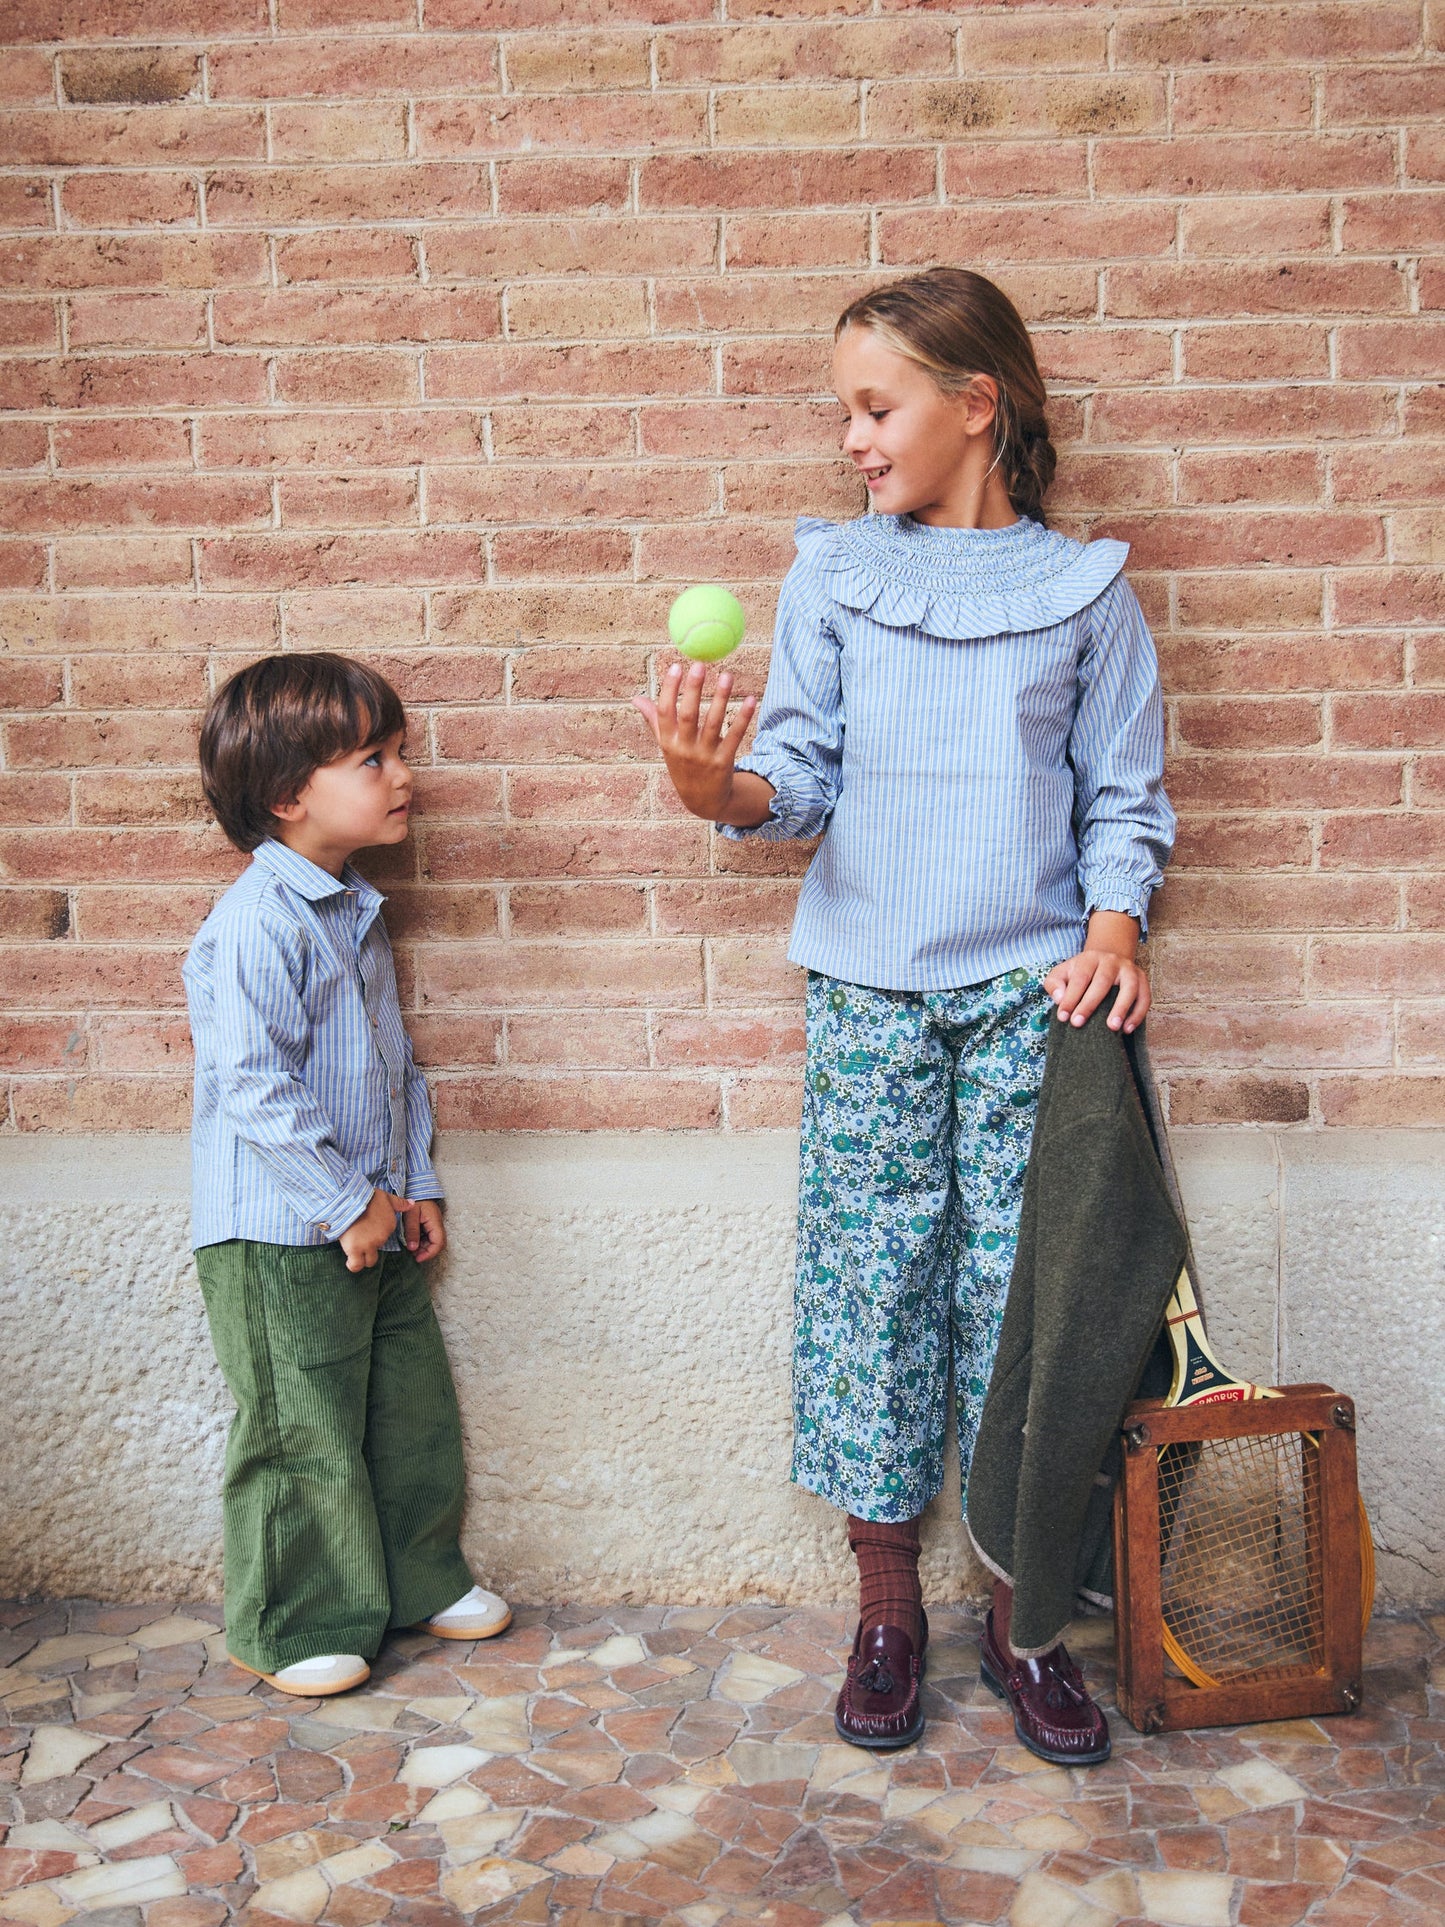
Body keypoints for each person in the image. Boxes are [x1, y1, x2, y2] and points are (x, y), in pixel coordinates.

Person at [636, 267, 1173, 1758]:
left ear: (975, 404)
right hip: (869, 987)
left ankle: (1022, 1612)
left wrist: (1113, 930)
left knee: (1021, 1302)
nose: (853, 440)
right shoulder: (831, 579)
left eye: (874, 409)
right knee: (869, 1286)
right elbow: (796, 783)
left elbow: (1121, 794)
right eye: (845, 415)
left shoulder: (1086, 595)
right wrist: (714, 787)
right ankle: (887, 1609)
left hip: (1030, 998)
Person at [184, 652, 510, 1697]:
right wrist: (342, 1201)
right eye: (373, 758)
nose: (403, 774)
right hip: (281, 1235)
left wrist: (412, 1186)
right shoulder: (256, 922)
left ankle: (417, 1577)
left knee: (408, 1412)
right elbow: (252, 1082)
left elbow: (391, 1065)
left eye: (398, 751)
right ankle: (296, 1620)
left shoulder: (355, 911)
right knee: (302, 1430)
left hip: (379, 1215)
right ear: (288, 795)